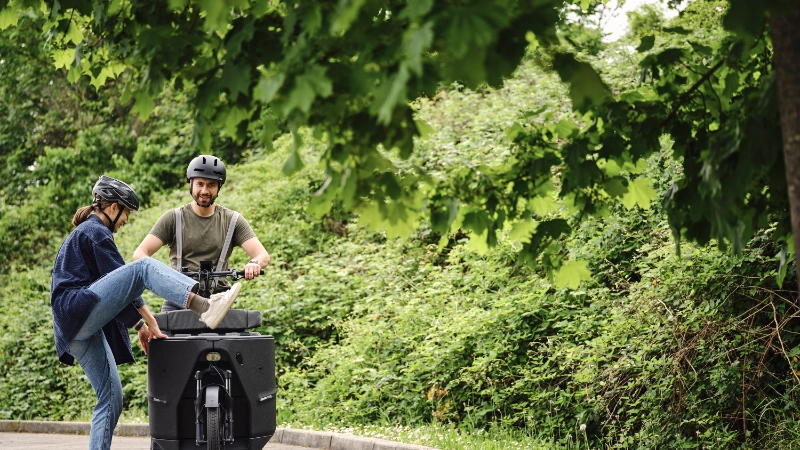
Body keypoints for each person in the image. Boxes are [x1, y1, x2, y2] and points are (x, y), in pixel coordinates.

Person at [51, 175, 242, 450]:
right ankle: (204, 306)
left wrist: (142, 325)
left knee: (111, 397)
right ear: (113, 208)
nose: (126, 220)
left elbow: (111, 290)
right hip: (77, 309)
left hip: (74, 328)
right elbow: (122, 277)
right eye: (126, 212)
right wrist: (148, 320)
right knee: (143, 267)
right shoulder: (94, 231)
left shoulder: (86, 232)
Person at [133, 155, 270, 311]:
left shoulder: (233, 221)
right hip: (178, 299)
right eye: (200, 184)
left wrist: (254, 264)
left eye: (211, 185)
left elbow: (262, 256)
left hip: (220, 300)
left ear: (219, 186)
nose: (204, 190)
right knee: (162, 335)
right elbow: (140, 253)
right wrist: (163, 275)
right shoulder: (173, 218)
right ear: (190, 183)